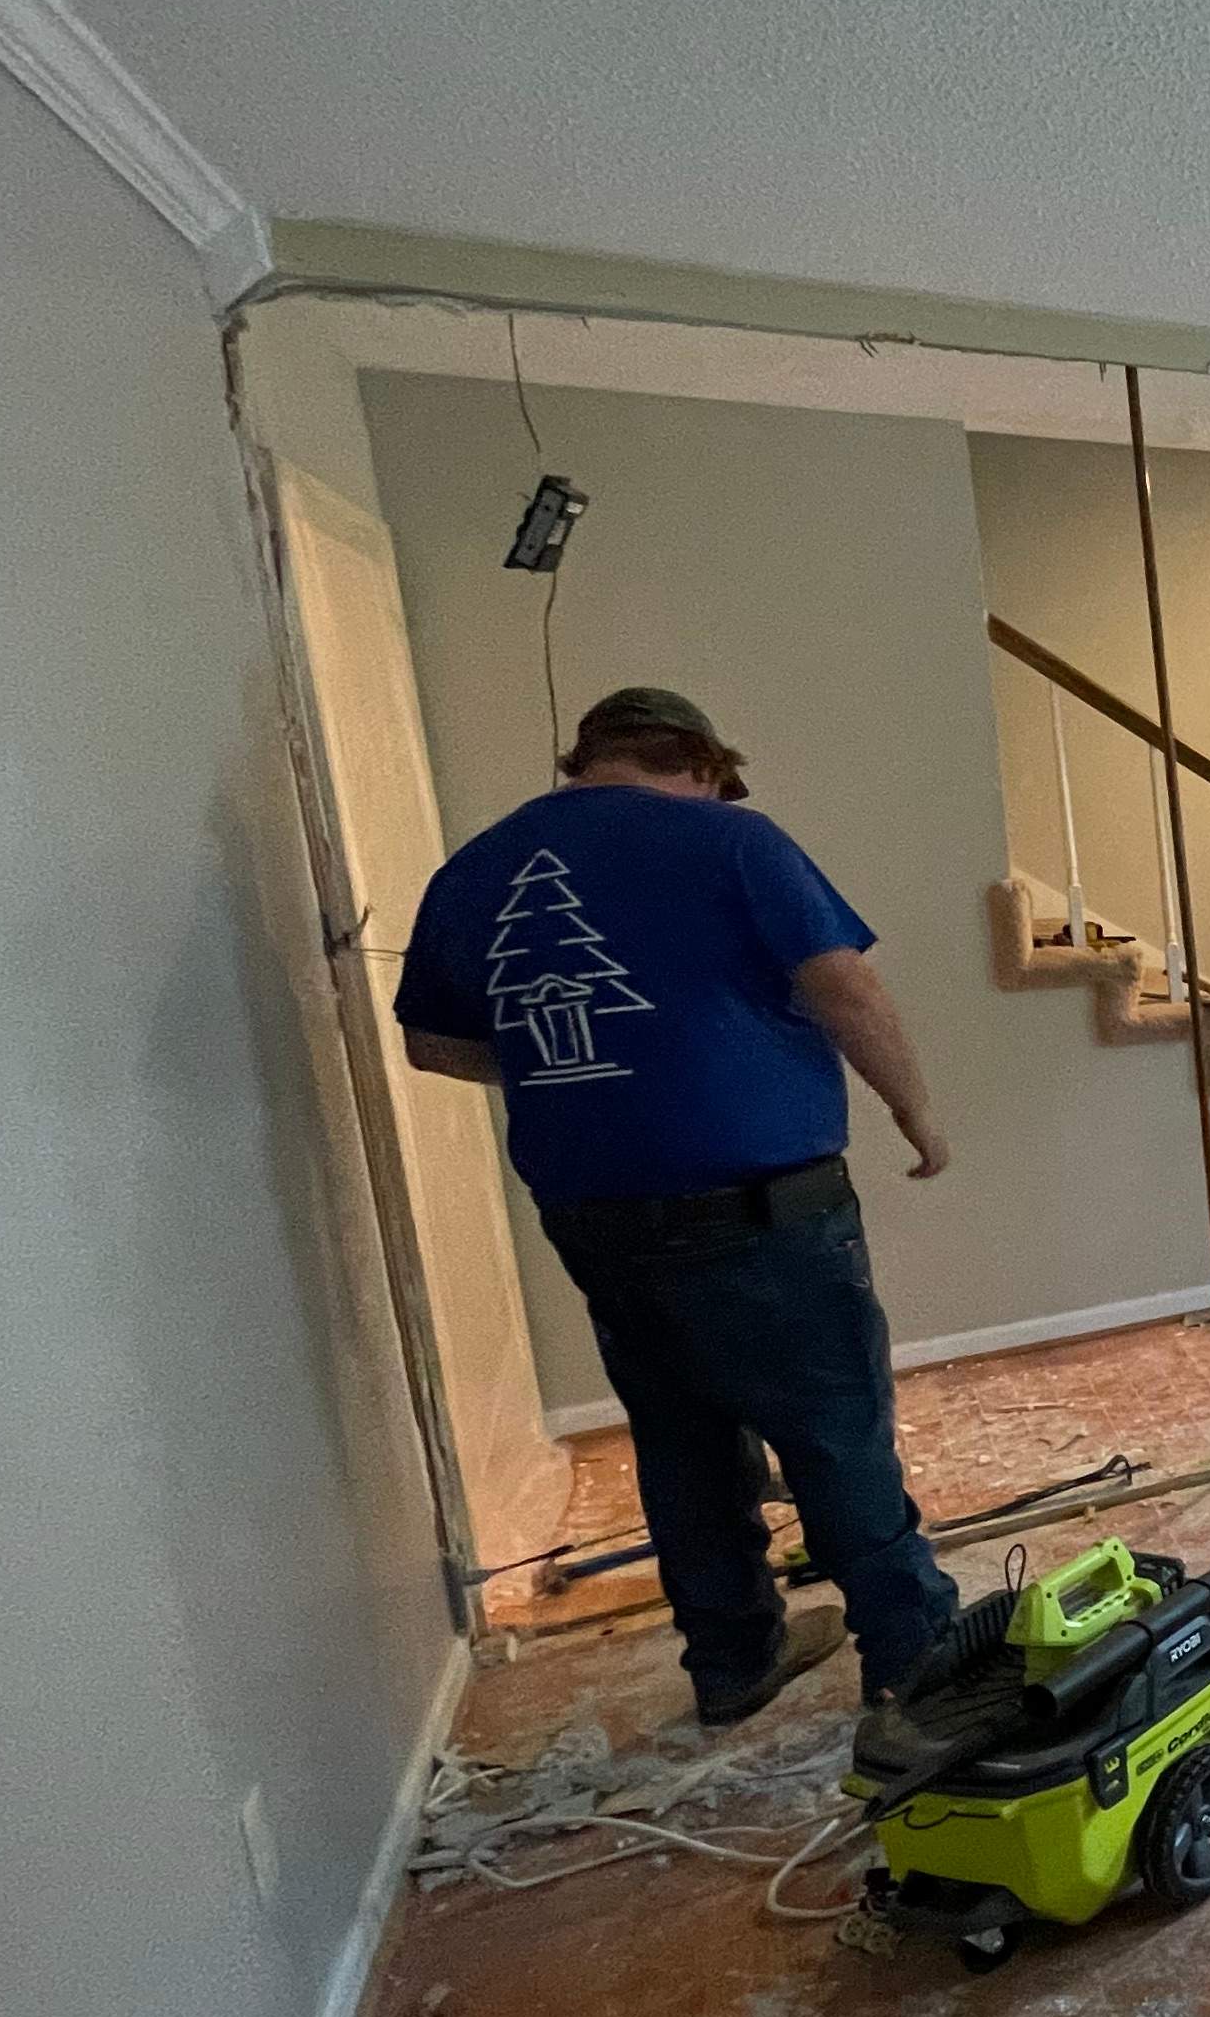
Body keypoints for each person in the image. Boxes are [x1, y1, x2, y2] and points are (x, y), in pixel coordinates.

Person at [397, 686, 959, 1726]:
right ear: (698, 763)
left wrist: (585, 1071)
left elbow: (432, 1042)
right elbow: (847, 988)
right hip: (761, 1210)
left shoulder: (476, 868)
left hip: (595, 1218)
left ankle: (733, 1657)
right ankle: (914, 1659)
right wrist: (916, 1112)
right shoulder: (731, 842)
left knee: (680, 1434)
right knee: (831, 1428)